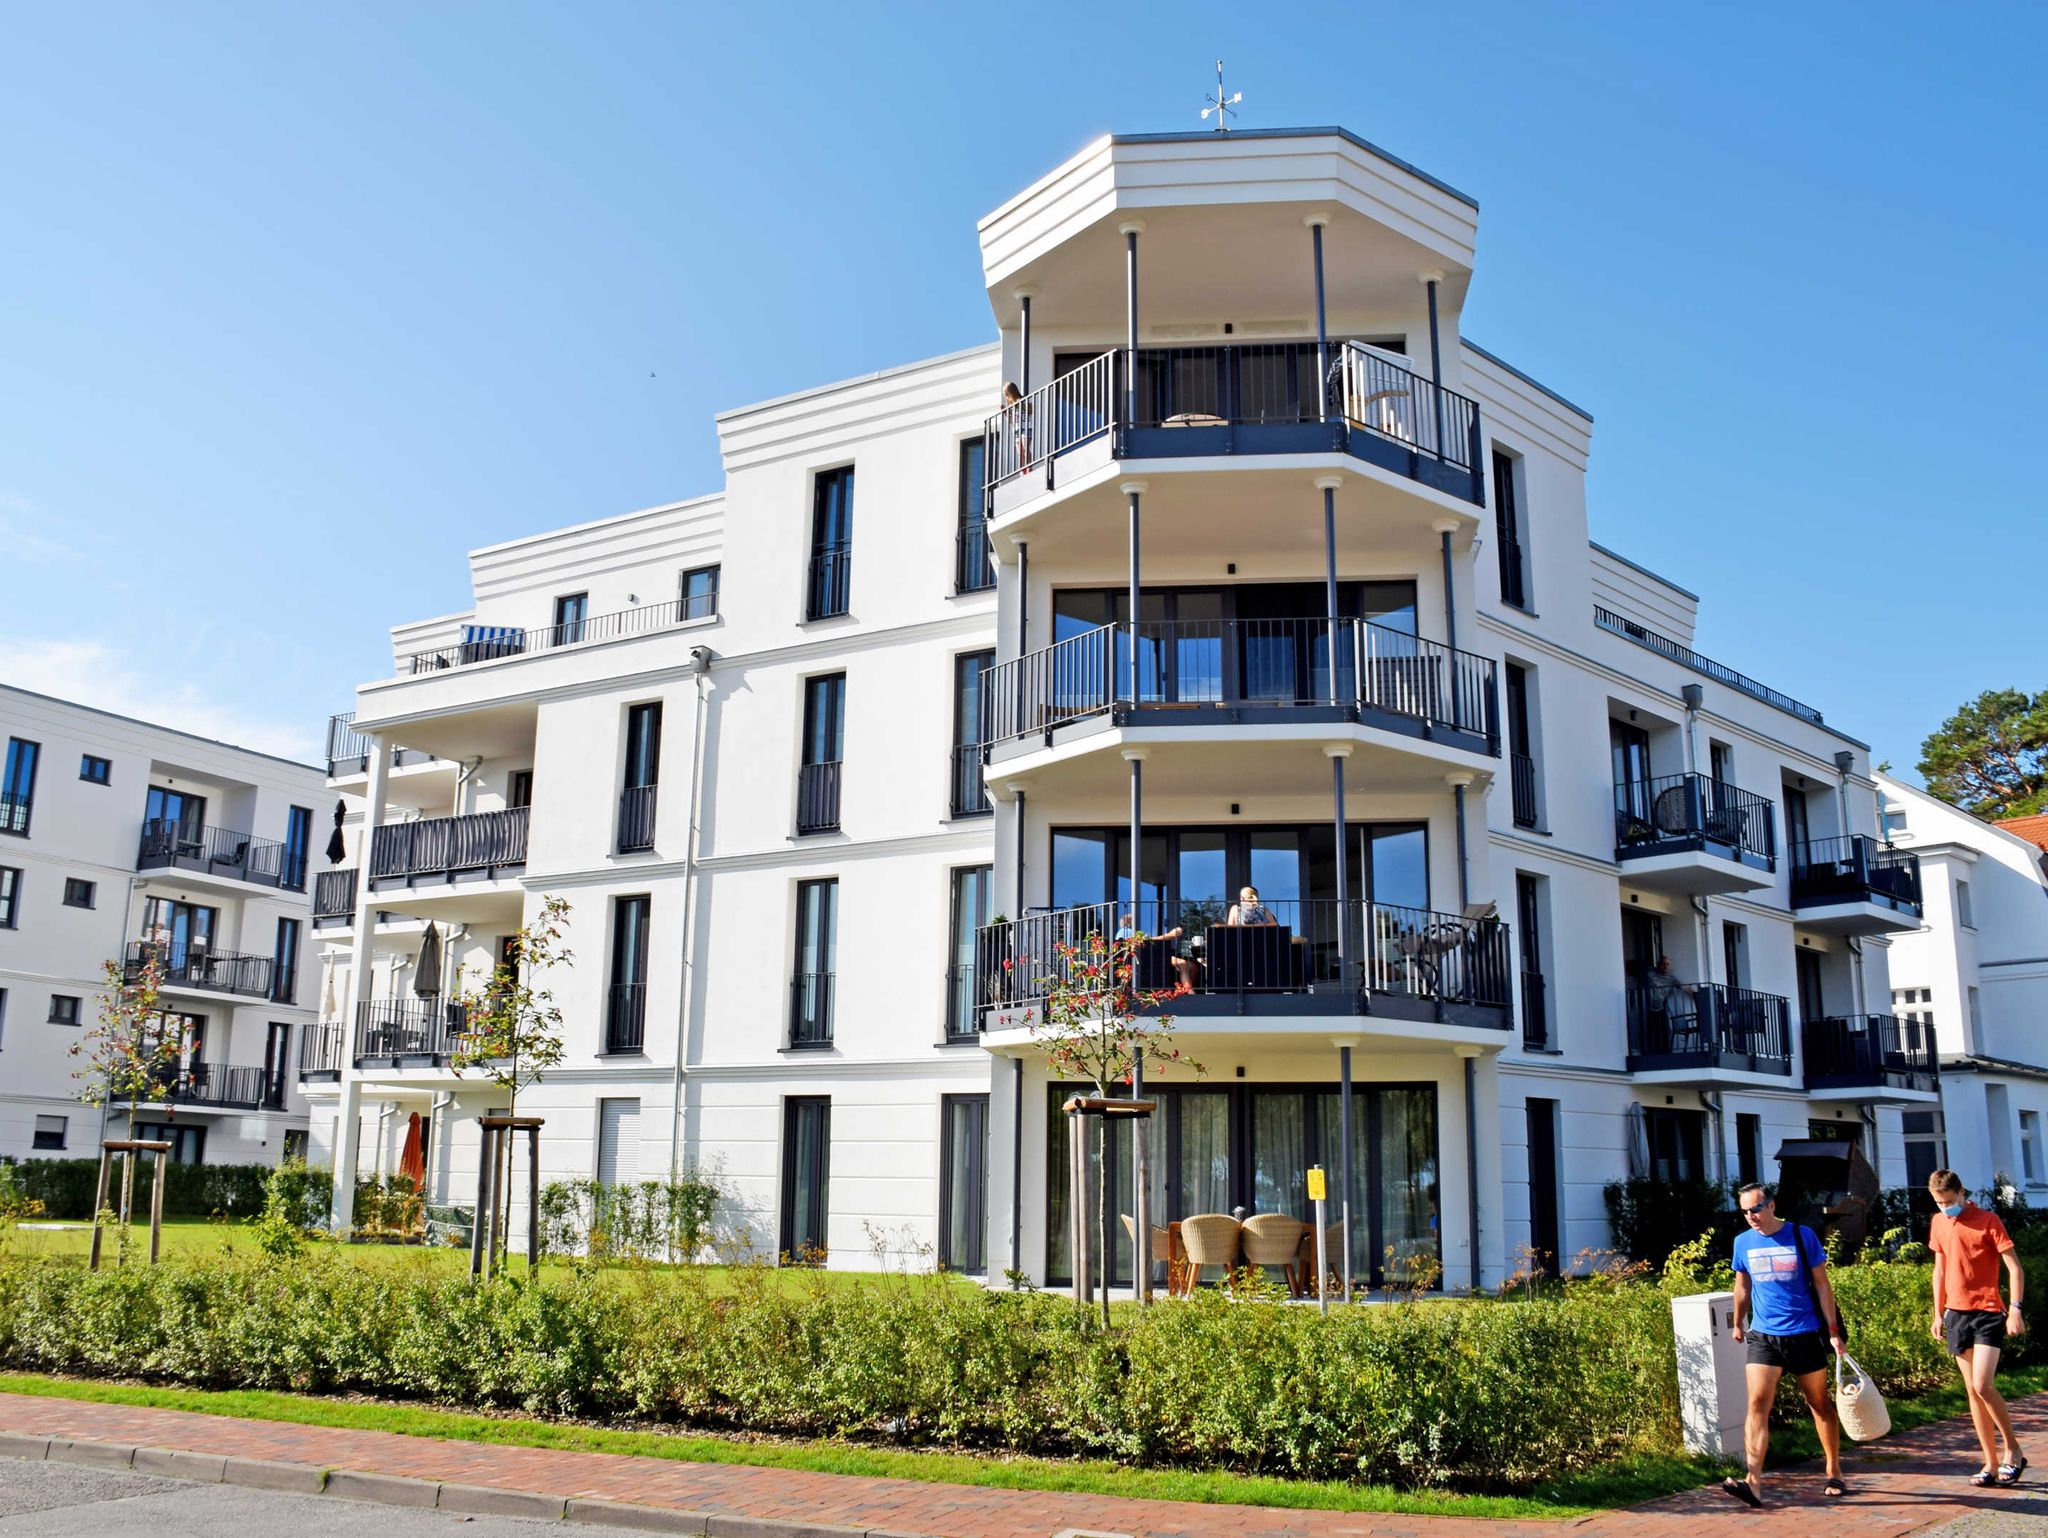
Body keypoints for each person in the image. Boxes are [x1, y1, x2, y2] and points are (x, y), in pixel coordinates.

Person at [1725, 1183, 1846, 1505]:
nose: (1750, 1216)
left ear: (1771, 1205)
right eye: (1745, 1211)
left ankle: (1833, 1469)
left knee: (1819, 1403)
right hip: (1764, 1336)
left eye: (1755, 1209)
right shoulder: (1742, 1243)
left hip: (1804, 1333)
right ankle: (1752, 1482)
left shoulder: (1801, 1235)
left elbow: (1823, 1285)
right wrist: (1738, 1322)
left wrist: (1833, 1330)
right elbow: (1741, 1287)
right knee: (1757, 1405)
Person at [1927, 1168, 2028, 1486]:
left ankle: (2013, 1450)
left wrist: (2015, 1310)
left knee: (1984, 1384)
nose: (1945, 1207)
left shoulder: (1988, 1221)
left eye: (1948, 1201)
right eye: (1939, 1202)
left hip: (1987, 1312)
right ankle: (1990, 1462)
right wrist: (1937, 1312)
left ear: (1961, 1193)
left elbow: (2014, 1266)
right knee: (1972, 1391)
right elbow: (1939, 1269)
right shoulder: (1938, 1222)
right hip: (1955, 1315)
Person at [1114, 912, 1197, 990]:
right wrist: (1169, 935)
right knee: (1182, 963)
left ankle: (1185, 990)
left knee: (1191, 966)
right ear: (1129, 921)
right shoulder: (1127, 931)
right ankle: (1188, 992)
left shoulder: (1125, 932)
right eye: (1135, 920)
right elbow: (1146, 941)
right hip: (1146, 958)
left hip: (1148, 957)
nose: (1138, 922)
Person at [1002, 382, 1033, 471]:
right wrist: (1005, 412)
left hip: (1026, 427)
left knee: (1026, 449)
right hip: (1016, 429)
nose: (1007, 397)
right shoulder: (1010, 405)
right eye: (1005, 395)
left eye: (1007, 394)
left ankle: (1029, 469)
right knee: (1020, 452)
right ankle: (1023, 471)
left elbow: (1030, 411)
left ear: (1012, 392)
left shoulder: (1023, 400)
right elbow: (1011, 421)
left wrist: (1021, 404)